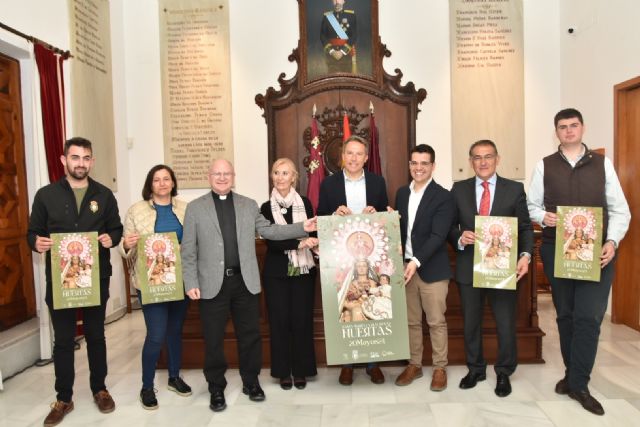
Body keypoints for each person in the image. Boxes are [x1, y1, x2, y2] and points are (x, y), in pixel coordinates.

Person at [181, 159, 316, 413]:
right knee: (213, 339)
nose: (222, 178)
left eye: (227, 173)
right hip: (211, 284)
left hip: (244, 282)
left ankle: (251, 382)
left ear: (233, 176)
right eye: (217, 174)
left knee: (250, 336)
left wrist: (302, 227)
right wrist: (191, 281)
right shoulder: (195, 209)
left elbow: (271, 231)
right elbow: (188, 250)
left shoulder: (248, 205)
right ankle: (216, 387)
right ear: (209, 177)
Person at [527, 108, 631, 415]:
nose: (569, 131)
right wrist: (541, 216)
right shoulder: (544, 165)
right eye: (563, 127)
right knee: (566, 316)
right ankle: (573, 377)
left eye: (574, 126)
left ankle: (579, 383)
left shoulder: (602, 165)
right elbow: (531, 204)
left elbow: (620, 209)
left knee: (588, 317)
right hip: (556, 250)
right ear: (556, 131)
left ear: (582, 128)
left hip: (596, 254)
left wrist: (612, 242)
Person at [27, 137, 123, 426]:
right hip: (62, 281)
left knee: (96, 336)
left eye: (86, 158)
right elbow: (32, 232)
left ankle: (100, 389)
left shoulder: (104, 195)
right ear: (63, 160)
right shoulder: (45, 196)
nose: (80, 163)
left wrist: (111, 238)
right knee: (64, 341)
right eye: (75, 157)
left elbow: (116, 229)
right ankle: (64, 398)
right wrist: (37, 243)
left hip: (96, 278)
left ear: (92, 161)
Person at [449, 139, 533, 398]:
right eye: (477, 157)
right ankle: (475, 369)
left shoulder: (514, 189)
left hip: (503, 268)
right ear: (470, 161)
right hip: (469, 268)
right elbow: (450, 227)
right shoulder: (458, 189)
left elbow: (525, 227)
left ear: (497, 159)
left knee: (505, 323)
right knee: (471, 323)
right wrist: (460, 238)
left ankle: (504, 372)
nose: (483, 162)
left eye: (488, 156)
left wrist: (526, 255)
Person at [317, 134, 388, 385]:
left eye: (359, 154)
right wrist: (334, 215)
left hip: (370, 259)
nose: (354, 158)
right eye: (350, 153)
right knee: (345, 308)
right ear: (342, 157)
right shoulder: (329, 185)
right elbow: (321, 219)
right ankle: (346, 363)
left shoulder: (378, 183)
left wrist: (377, 213)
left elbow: (386, 224)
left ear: (366, 158)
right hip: (341, 260)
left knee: (371, 305)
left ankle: (373, 363)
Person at [119, 164, 191, 410]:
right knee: (156, 334)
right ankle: (147, 387)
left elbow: (193, 241)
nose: (162, 183)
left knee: (175, 331)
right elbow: (125, 248)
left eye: (166, 179)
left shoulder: (185, 208)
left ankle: (173, 377)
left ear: (173, 183)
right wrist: (127, 244)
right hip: (150, 282)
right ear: (150, 184)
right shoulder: (136, 211)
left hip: (180, 280)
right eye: (157, 179)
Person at [394, 144, 455, 391]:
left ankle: (440, 368)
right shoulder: (401, 193)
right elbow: (401, 229)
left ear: (433, 166)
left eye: (424, 163)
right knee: (411, 321)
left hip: (432, 269)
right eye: (415, 163)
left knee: (436, 322)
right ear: (409, 165)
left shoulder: (443, 196)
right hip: (405, 269)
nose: (419, 168)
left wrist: (415, 261)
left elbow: (438, 235)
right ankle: (415, 364)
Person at [259, 158, 318, 391]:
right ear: (272, 176)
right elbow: (272, 240)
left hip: (303, 272)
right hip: (276, 274)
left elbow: (314, 231)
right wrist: (300, 242)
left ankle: (302, 370)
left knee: (302, 322)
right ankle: (283, 372)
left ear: (294, 177)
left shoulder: (305, 203)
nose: (280, 177)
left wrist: (310, 243)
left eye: (285, 173)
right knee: (280, 323)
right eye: (276, 172)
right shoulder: (265, 208)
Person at [320, 0, 357, 74]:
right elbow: (322, 36)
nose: (337, 2)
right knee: (332, 78)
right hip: (331, 55)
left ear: (344, 1)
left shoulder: (351, 15)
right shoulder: (327, 16)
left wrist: (342, 51)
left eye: (339, 0)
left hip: (346, 54)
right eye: (334, 0)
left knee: (347, 78)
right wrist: (332, 51)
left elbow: (354, 35)